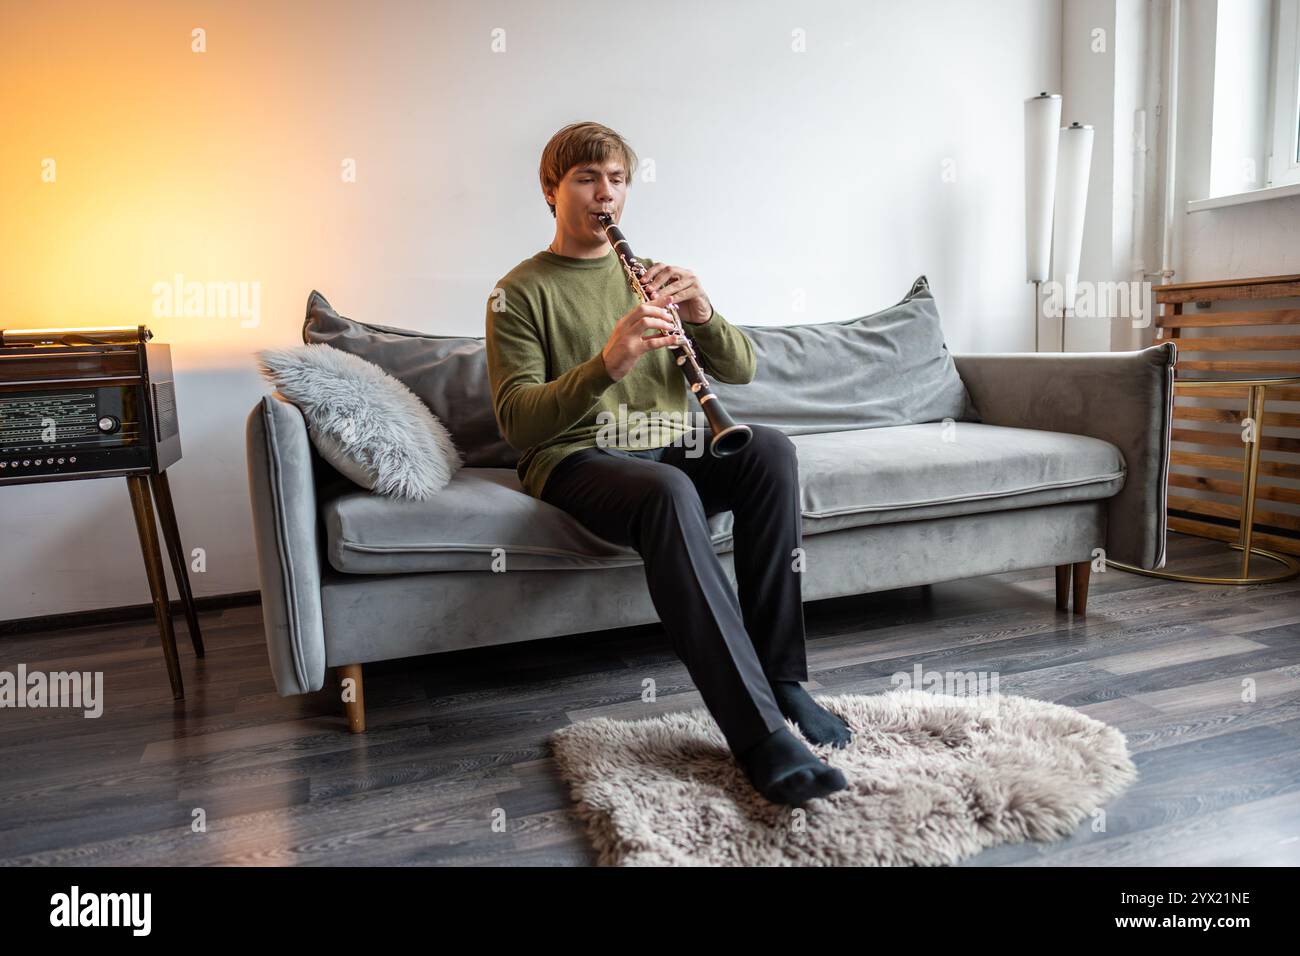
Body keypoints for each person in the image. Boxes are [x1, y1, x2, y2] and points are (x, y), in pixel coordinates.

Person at [485, 121, 851, 806]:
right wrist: (607, 364)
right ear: (550, 189)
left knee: (768, 449)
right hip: (575, 455)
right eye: (588, 178)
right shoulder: (518, 291)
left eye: (618, 180)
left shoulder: (650, 273)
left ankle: (784, 681)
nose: (606, 195)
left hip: (662, 438)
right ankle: (760, 736)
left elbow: (740, 365)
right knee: (667, 491)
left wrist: (703, 310)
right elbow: (518, 422)